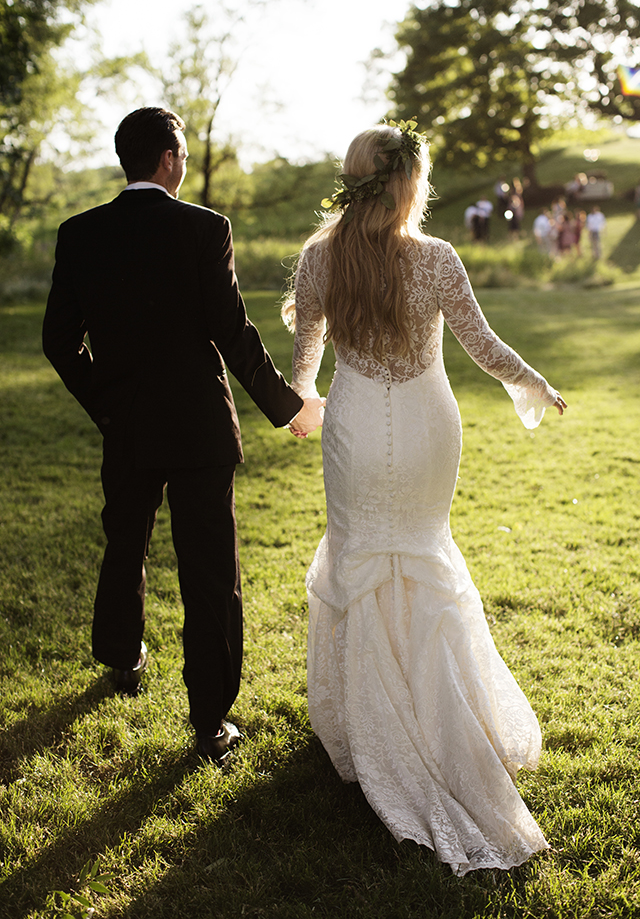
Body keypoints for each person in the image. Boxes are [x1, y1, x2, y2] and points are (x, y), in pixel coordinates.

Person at [282, 122, 567, 876]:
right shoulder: (435, 259)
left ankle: (372, 726)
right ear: (411, 183)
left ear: (355, 179)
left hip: (352, 424)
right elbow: (482, 344)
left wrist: (305, 400)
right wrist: (531, 382)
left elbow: (304, 361)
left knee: (363, 557)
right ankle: (437, 718)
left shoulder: (318, 259)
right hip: (427, 426)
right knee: (421, 556)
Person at [42, 106, 324, 765]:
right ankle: (209, 723)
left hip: (128, 427)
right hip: (199, 425)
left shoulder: (78, 233)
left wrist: (106, 405)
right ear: (169, 160)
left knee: (125, 542)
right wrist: (289, 408)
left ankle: (121, 658)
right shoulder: (204, 228)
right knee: (208, 570)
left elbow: (58, 341)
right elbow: (234, 333)